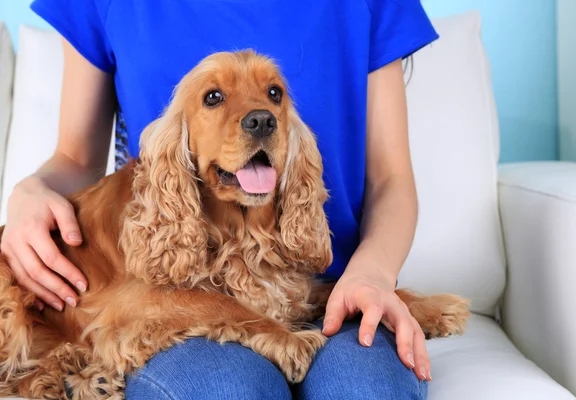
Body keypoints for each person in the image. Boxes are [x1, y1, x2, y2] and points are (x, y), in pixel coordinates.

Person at [1, 1, 439, 398]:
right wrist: (28, 191)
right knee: (227, 390)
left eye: (273, 96)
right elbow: (75, 158)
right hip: (177, 285)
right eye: (214, 99)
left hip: (335, 286)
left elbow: (391, 178)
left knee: (365, 392)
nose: (259, 116)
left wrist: (374, 273)